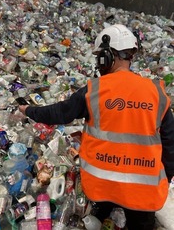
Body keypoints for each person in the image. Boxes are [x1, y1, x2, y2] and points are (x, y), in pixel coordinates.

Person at [19, 24, 174, 230]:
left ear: (107, 56)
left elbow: (58, 113)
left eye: (100, 56)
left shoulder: (94, 91)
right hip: (143, 193)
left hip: (102, 186)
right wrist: (163, 180)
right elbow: (171, 146)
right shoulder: (157, 94)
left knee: (98, 219)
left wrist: (27, 110)